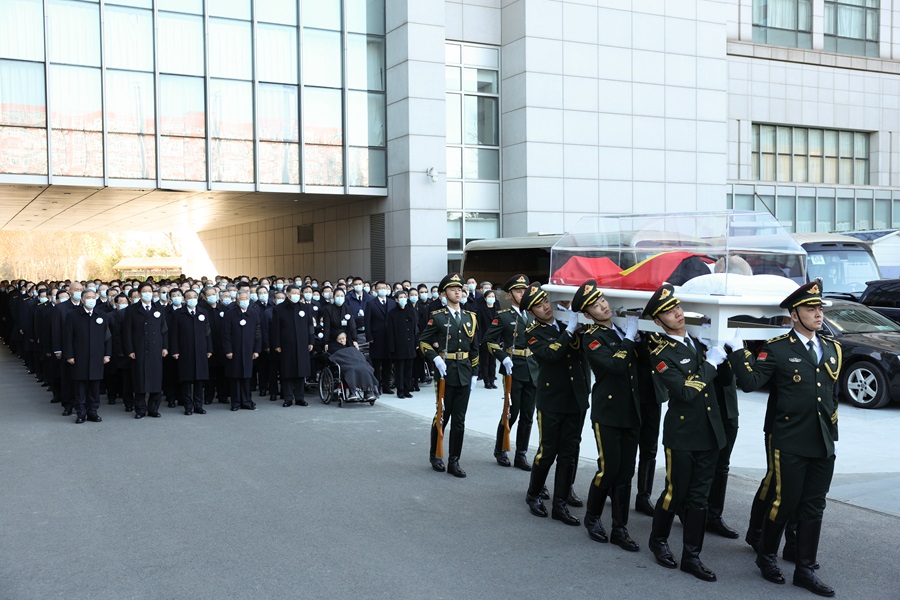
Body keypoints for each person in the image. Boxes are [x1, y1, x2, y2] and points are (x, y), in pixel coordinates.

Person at [728, 282, 840, 597]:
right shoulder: (777, 349)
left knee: (814, 505)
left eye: (819, 309)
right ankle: (766, 555)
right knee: (785, 502)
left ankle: (805, 569)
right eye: (810, 309)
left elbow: (830, 395)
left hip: (822, 441)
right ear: (794, 315)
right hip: (789, 439)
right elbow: (750, 382)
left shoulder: (833, 348)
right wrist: (737, 351)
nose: (818, 314)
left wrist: (832, 433)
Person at [643, 284, 727, 582]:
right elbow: (684, 392)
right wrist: (711, 363)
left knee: (700, 497)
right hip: (682, 434)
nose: (677, 313)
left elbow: (722, 381)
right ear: (658, 321)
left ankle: (692, 556)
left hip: (709, 432)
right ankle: (658, 540)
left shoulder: (700, 341)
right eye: (668, 312)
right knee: (675, 491)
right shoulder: (660, 352)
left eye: (677, 307)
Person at [572, 280, 641, 552]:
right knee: (609, 469)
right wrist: (629, 339)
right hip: (608, 413)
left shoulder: (620, 330)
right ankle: (592, 517)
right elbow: (615, 365)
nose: (602, 305)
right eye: (595, 305)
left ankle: (620, 528)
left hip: (631, 410)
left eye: (602, 300)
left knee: (626, 472)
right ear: (587, 315)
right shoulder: (591, 338)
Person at [520, 284, 589, 526]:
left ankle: (560, 502)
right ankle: (534, 494)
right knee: (548, 451)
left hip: (576, 396)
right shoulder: (532, 332)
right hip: (552, 399)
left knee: (569, 451)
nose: (545, 307)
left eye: (545, 301)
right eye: (539, 306)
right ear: (531, 312)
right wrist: (569, 331)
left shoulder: (565, 321)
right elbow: (551, 354)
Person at [418, 273, 479, 478]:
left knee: (460, 420)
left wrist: (475, 373)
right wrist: (435, 358)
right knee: (442, 415)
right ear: (445, 293)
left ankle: (454, 460)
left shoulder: (471, 317)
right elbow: (423, 341)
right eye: (453, 290)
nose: (457, 293)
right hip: (446, 371)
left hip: (464, 370)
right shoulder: (438, 316)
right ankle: (436, 455)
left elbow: (475, 347)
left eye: (460, 289)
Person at [483, 275, 538, 471]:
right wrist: (503, 357)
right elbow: (488, 340)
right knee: (511, 412)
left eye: (524, 291)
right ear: (510, 295)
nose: (522, 294)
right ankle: (501, 449)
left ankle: (521, 454)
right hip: (513, 368)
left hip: (532, 369)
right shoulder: (504, 316)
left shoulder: (534, 315)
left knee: (528, 415)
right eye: (518, 291)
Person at [62, 289, 111, 424]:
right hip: (79, 356)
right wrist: (69, 355)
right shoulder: (73, 315)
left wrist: (107, 354)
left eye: (93, 297)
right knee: (80, 386)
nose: (91, 300)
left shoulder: (101, 315)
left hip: (97, 356)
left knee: (94, 386)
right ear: (82, 300)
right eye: (88, 297)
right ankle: (81, 412)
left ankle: (93, 411)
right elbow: (68, 337)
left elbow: (108, 337)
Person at [123, 282, 169, 419]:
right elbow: (127, 332)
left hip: (156, 349)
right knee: (139, 379)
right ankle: (140, 409)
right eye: (145, 291)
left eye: (150, 291)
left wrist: (165, 347)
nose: (148, 293)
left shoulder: (159, 308)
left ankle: (153, 408)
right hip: (139, 349)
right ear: (139, 293)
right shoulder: (131, 310)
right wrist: (130, 350)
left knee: (156, 379)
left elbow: (164, 329)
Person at [170, 290, 212, 415]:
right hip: (185, 350)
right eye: (189, 297)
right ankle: (188, 406)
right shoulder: (178, 313)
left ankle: (198, 405)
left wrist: (209, 348)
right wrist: (175, 350)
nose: (192, 299)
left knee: (200, 379)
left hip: (201, 350)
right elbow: (174, 334)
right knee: (187, 379)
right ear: (184, 299)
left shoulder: (203, 312)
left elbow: (208, 332)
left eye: (194, 297)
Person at [271, 285, 313, 407]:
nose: (296, 295)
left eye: (298, 293)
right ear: (288, 294)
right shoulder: (279, 309)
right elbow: (275, 329)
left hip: (302, 344)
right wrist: (277, 344)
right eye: (293, 293)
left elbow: (310, 326)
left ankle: (300, 397)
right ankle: (288, 397)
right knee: (287, 371)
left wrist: (311, 341)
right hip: (286, 345)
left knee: (301, 371)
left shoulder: (305, 307)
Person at [222, 291, 261, 411]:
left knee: (247, 377)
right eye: (242, 299)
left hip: (249, 350)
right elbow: (226, 333)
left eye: (246, 298)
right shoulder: (230, 313)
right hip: (235, 350)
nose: (244, 301)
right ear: (237, 301)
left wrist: (256, 350)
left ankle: (247, 401)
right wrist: (228, 350)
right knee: (235, 377)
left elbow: (258, 332)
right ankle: (236, 402)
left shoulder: (254, 313)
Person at [365, 281, 396, 394]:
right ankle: (376, 386)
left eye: (384, 287)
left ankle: (386, 386)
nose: (383, 290)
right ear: (376, 290)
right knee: (377, 364)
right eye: (380, 288)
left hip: (389, 337)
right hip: (376, 337)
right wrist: (369, 336)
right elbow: (367, 321)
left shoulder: (392, 302)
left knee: (388, 363)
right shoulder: (370, 303)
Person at [386, 290, 417, 398]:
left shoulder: (411, 311)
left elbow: (414, 329)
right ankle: (400, 389)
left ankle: (407, 389)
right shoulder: (392, 313)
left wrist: (416, 342)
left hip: (410, 344)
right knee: (399, 369)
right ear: (396, 300)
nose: (403, 299)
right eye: (401, 297)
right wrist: (392, 347)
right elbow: (390, 331)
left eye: (405, 297)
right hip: (399, 345)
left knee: (409, 369)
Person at [476, 289, 498, 389]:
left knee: (493, 362)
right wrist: (479, 339)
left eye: (493, 296)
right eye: (489, 296)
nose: (491, 298)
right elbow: (479, 326)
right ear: (485, 298)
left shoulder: (497, 309)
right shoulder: (481, 309)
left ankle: (492, 380)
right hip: (484, 338)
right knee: (485, 361)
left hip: (495, 339)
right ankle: (487, 381)